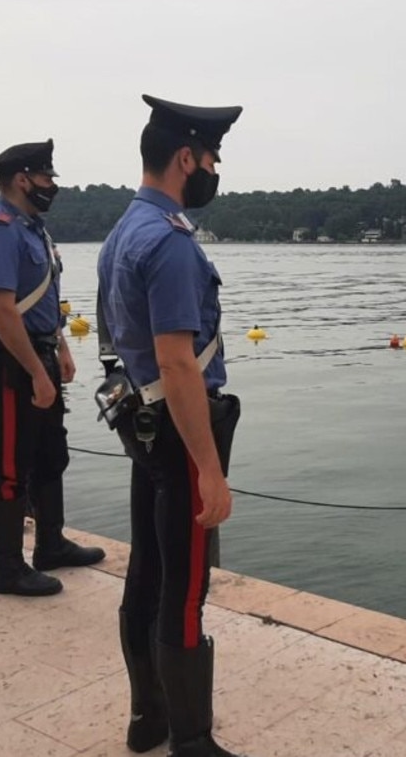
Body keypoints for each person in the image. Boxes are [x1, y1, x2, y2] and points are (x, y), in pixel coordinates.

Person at [98, 95, 245, 757]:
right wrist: (210, 466)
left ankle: (147, 718)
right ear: (186, 157)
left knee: (146, 574)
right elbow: (177, 361)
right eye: (212, 156)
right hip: (183, 433)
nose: (214, 168)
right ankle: (191, 739)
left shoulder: (122, 231)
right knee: (186, 586)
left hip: (143, 426)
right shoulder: (172, 243)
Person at [0, 139, 105, 597]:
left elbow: (39, 300)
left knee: (50, 452)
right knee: (10, 463)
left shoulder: (33, 229)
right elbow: (2, 309)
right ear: (23, 179)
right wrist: (36, 371)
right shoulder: (0, 229)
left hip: (39, 350)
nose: (51, 186)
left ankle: (51, 544)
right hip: (11, 361)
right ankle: (7, 567)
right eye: (47, 177)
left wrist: (60, 347)